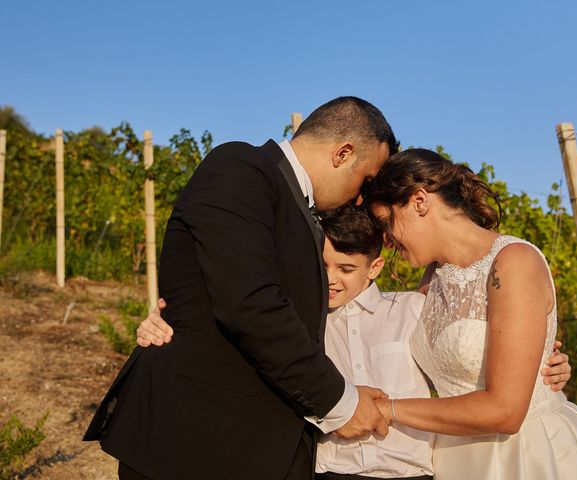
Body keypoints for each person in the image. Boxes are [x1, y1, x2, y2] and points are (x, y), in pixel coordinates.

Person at [84, 96, 398, 480]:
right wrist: (341, 404)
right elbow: (251, 304)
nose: (361, 197)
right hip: (194, 440)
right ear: (343, 152)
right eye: (366, 179)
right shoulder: (241, 168)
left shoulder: (300, 209)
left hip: (244, 444)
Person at [138, 204, 573, 480]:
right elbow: (233, 338)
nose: (330, 279)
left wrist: (547, 365)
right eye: (321, 266)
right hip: (328, 470)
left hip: (412, 472)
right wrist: (162, 327)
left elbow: (474, 347)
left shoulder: (415, 311)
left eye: (345, 268)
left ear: (375, 267)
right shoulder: (293, 323)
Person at [360, 148, 577, 479]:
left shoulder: (513, 262)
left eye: (387, 223)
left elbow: (506, 411)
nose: (386, 241)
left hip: (524, 456)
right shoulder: (433, 279)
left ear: (419, 201)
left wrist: (389, 409)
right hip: (453, 456)